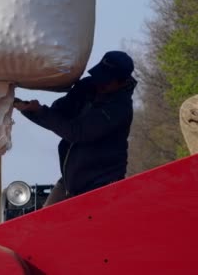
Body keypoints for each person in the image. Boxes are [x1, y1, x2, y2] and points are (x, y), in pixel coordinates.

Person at [13, 51, 137, 206]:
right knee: (43, 225)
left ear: (122, 82)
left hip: (101, 188)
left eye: (105, 82)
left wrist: (41, 112)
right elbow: (58, 115)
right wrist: (26, 109)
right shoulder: (88, 86)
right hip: (70, 182)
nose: (99, 84)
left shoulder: (119, 109)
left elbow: (77, 132)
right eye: (99, 77)